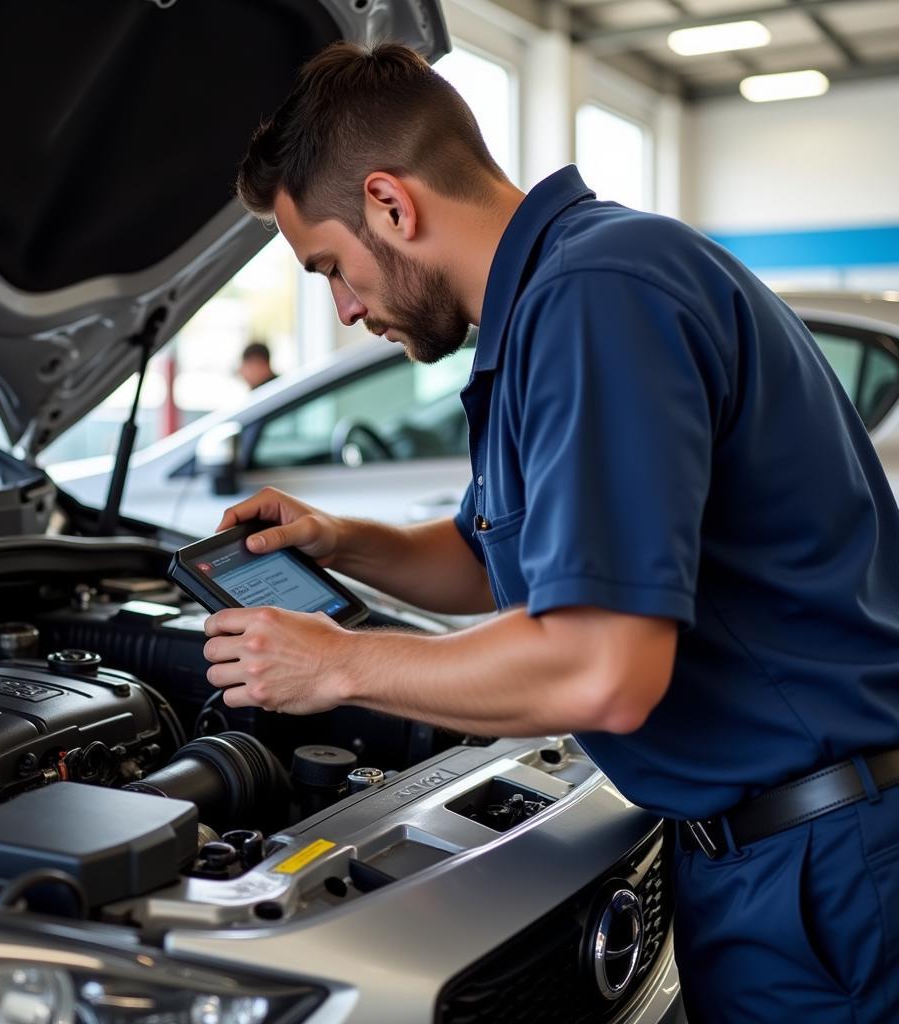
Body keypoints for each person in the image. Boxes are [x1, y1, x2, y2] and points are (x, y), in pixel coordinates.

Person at [201, 41, 899, 1022]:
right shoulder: (561, 296)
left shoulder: (595, 299)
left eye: (330, 267)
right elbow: (508, 564)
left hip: (827, 873)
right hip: (767, 855)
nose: (346, 306)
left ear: (392, 205)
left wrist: (340, 665)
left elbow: (600, 668)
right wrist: (339, 538)